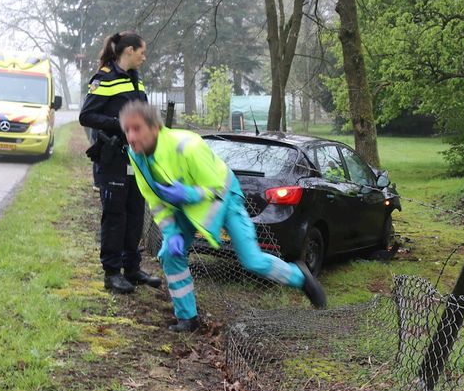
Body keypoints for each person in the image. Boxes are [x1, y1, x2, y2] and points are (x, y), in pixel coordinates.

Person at [119, 99, 326, 333]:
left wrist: (186, 193)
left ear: (154, 127)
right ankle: (188, 318)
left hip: (225, 200)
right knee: (169, 253)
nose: (131, 136)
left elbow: (216, 188)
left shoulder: (187, 146)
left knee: (252, 260)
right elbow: (156, 201)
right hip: (184, 209)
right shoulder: (137, 158)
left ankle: (300, 277)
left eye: (137, 129)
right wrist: (170, 232)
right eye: (127, 130)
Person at [79, 31, 161, 293]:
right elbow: (87, 116)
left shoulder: (138, 81)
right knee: (116, 216)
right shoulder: (104, 79)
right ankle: (112, 273)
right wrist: (120, 125)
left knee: (135, 214)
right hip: (113, 159)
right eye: (142, 52)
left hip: (136, 160)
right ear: (128, 51)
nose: (144, 57)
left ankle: (132, 268)